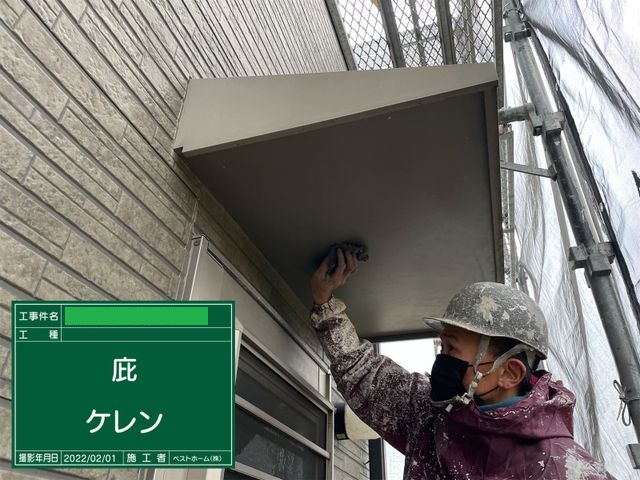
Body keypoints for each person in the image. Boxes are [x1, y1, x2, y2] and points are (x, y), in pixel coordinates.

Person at [310, 248, 614, 479]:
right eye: (442, 346)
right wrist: (324, 301)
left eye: (452, 348)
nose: (441, 360)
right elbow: (365, 374)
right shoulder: (431, 414)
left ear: (510, 372)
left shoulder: (562, 468)